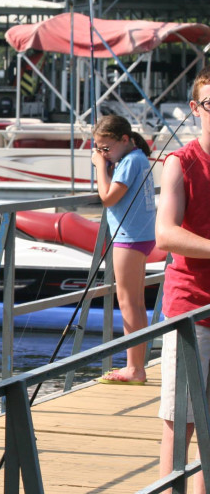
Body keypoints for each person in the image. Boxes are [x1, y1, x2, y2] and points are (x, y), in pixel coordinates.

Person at [156, 65, 210, 493]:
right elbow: (165, 234)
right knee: (182, 425)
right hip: (193, 312)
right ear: (196, 109)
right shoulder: (181, 162)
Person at [90, 115, 156, 385]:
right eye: (98, 149)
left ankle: (134, 369)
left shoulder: (129, 162)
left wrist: (98, 167)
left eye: (106, 148)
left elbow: (107, 198)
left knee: (129, 304)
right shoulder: (137, 157)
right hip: (141, 235)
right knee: (136, 304)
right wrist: (106, 160)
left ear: (125, 140)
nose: (103, 153)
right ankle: (136, 365)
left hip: (129, 237)